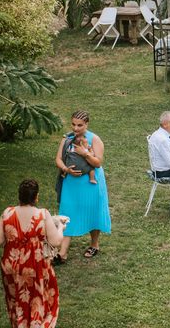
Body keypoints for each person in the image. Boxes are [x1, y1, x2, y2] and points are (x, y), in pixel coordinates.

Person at [0, 179, 65, 328]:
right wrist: (61, 227)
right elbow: (56, 241)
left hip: (11, 266)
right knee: (38, 299)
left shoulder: (7, 213)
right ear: (36, 197)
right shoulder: (42, 214)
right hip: (35, 265)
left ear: (19, 196)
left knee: (16, 300)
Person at [55, 110, 111, 263]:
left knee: (92, 211)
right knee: (67, 212)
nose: (75, 128)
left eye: (79, 125)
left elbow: (98, 162)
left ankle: (94, 244)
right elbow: (58, 159)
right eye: (73, 124)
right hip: (71, 182)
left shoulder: (95, 139)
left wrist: (85, 153)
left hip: (90, 183)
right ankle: (63, 253)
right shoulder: (67, 139)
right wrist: (66, 170)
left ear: (87, 124)